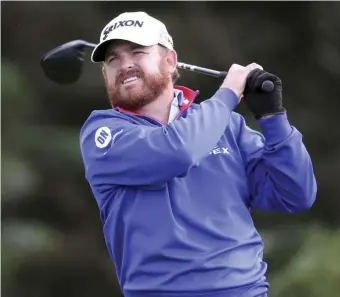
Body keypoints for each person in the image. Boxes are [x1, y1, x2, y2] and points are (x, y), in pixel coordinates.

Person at [79, 11, 317, 297]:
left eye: (137, 52)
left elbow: (295, 193)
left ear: (169, 61)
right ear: (105, 74)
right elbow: (176, 151)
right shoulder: (102, 133)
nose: (124, 64)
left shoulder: (227, 125)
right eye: (112, 60)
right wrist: (229, 93)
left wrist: (273, 118)